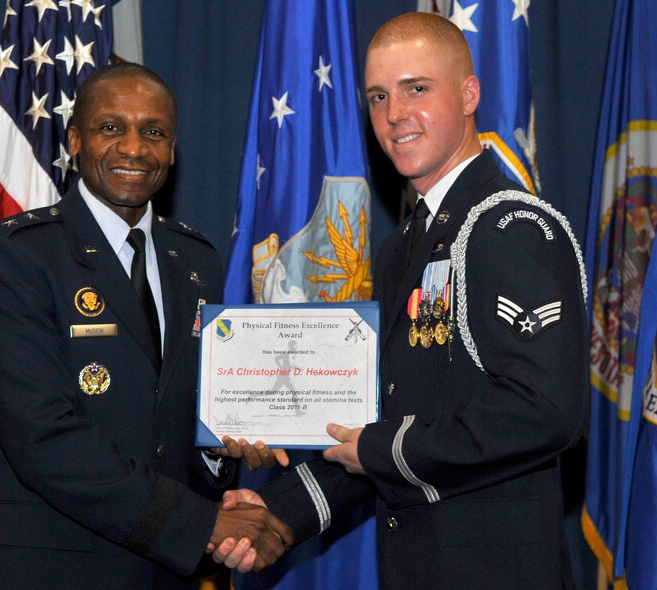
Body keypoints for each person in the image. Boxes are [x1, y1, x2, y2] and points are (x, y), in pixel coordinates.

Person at [212, 12, 589, 589]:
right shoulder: (401, 249)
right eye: (378, 96)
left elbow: (546, 409)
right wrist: (278, 515)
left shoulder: (511, 226)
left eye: (417, 89)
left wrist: (384, 447)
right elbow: (382, 424)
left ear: (469, 94)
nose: (394, 115)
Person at [0, 62, 292, 589]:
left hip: (167, 573)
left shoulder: (196, 260)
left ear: (172, 150)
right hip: (53, 571)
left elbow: (180, 417)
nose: (135, 148)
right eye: (110, 127)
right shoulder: (16, 257)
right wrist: (202, 523)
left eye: (154, 132)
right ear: (74, 140)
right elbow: (43, 438)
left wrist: (216, 448)